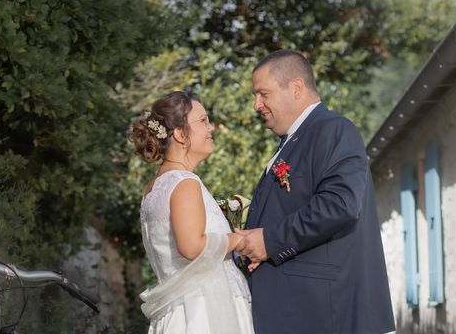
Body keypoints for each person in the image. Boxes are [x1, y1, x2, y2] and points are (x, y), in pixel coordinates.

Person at [235, 50, 395, 334]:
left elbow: (340, 205)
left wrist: (269, 240)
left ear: (296, 88)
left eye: (263, 94)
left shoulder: (334, 130)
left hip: (324, 315)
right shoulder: (296, 139)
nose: (256, 105)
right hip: (297, 311)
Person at [132, 91, 254, 334]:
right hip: (203, 314)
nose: (211, 128)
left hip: (180, 312)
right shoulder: (184, 183)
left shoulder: (155, 187)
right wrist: (236, 239)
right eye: (203, 121)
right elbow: (191, 246)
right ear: (180, 134)